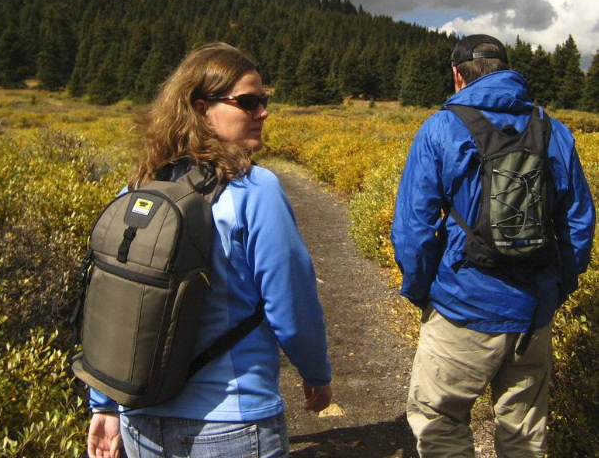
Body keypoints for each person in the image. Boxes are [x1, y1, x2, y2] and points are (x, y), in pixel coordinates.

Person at [87, 42, 333, 458]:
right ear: (202, 109)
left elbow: (111, 306)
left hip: (140, 420)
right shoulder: (256, 190)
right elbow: (293, 306)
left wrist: (105, 404)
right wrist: (316, 373)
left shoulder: (136, 189)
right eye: (249, 102)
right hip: (234, 420)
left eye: (264, 100)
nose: (263, 112)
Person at [391, 34, 595, 457]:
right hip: (532, 312)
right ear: (506, 70)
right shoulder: (553, 131)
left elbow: (415, 230)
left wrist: (420, 290)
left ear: (456, 75)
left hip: (461, 305)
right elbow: (578, 223)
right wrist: (556, 290)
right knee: (523, 434)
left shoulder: (440, 128)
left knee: (441, 421)